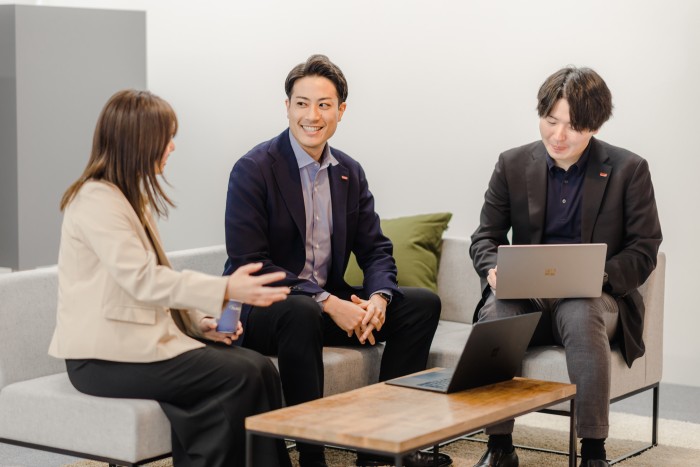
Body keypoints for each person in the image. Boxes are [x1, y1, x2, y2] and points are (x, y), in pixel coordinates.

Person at [223, 54, 450, 467]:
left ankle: (381, 448)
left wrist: (378, 298)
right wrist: (328, 302)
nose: (312, 116)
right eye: (302, 103)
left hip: (320, 307)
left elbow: (376, 249)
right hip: (261, 309)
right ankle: (313, 455)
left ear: (341, 111)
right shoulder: (253, 169)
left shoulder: (349, 172)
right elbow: (249, 262)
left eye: (324, 105)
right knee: (301, 312)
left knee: (420, 306)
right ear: (287, 107)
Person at [48, 89, 293, 467]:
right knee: (242, 375)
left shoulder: (129, 198)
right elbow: (143, 280)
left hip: (131, 345)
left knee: (259, 368)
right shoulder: (96, 199)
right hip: (101, 359)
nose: (172, 147)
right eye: (167, 137)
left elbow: (153, 284)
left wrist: (199, 323)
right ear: (139, 141)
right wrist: (226, 288)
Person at [469, 66, 662, 467]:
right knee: (497, 311)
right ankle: (499, 446)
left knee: (581, 309)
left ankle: (593, 451)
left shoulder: (628, 169)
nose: (558, 135)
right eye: (550, 120)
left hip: (597, 298)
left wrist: (598, 276)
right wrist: (492, 269)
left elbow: (645, 248)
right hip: (529, 296)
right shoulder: (512, 163)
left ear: (595, 125)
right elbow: (485, 237)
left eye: (573, 126)